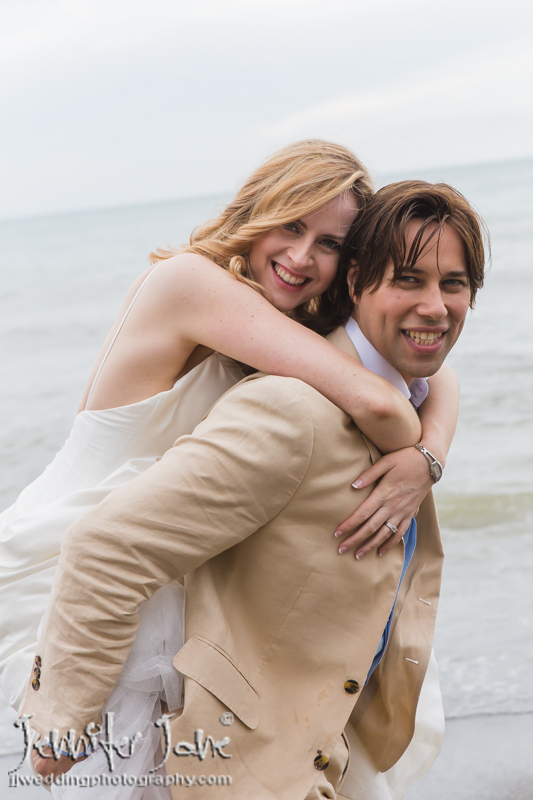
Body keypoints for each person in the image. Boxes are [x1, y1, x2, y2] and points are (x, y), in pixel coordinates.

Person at [24, 180, 486, 799]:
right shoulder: (286, 399)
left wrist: (427, 456)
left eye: (453, 284)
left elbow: (435, 379)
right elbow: (104, 548)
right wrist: (61, 729)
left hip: (315, 746)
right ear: (355, 282)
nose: (434, 305)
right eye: (407, 279)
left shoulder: (394, 388)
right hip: (61, 585)